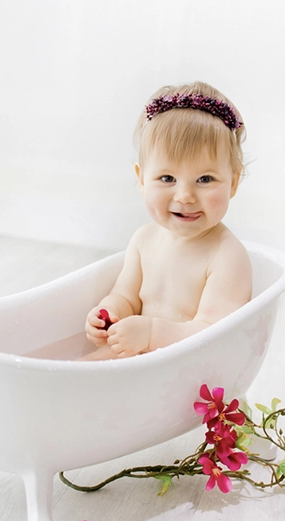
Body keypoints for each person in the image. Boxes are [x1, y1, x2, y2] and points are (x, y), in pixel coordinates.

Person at [83, 81, 252, 359]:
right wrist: (109, 313)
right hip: (136, 350)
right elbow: (127, 297)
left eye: (205, 179)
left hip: (186, 369)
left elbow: (212, 333)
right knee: (78, 370)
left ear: (233, 183)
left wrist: (150, 334)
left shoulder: (226, 256)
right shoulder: (144, 239)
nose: (185, 196)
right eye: (167, 178)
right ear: (141, 179)